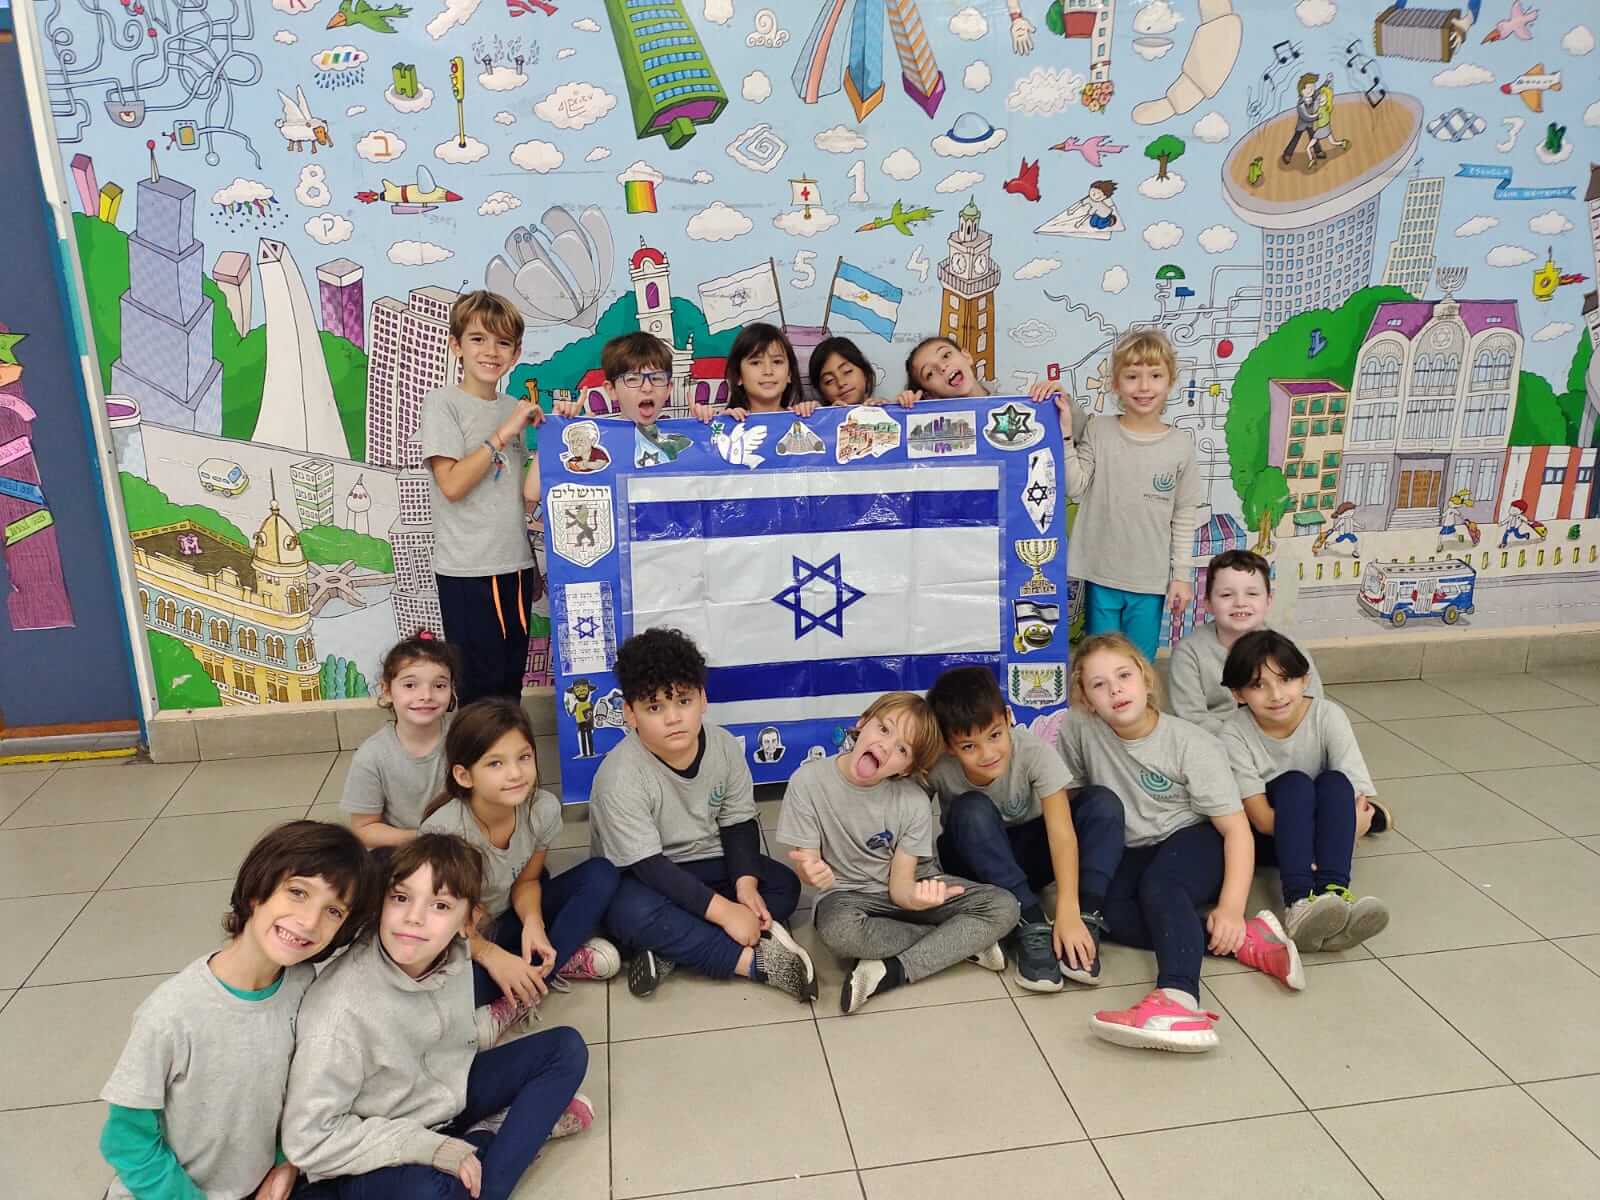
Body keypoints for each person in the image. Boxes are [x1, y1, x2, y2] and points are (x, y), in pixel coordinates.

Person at [283, 835, 591, 1200]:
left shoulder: (453, 956)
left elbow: (445, 1047)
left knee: (566, 1049)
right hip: (374, 1147)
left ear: (468, 922)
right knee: (430, 1191)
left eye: (440, 905)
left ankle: (484, 1157)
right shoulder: (338, 1013)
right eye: (400, 898)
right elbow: (309, 1141)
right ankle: (493, 1143)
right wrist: (427, 1147)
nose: (413, 917)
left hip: (443, 1100)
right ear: (381, 903)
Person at [100, 820, 374, 1200]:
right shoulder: (171, 1013)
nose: (309, 921)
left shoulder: (303, 986)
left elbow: (299, 1094)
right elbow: (125, 1141)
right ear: (257, 891)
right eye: (297, 892)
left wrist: (286, 1163)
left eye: (333, 911)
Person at [1059, 634, 1306, 1054]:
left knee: (1161, 886)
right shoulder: (1080, 728)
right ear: (1085, 698)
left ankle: (1178, 999)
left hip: (1197, 837)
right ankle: (1247, 940)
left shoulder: (1192, 744)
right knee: (1104, 914)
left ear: (1145, 679)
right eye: (1099, 684)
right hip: (1135, 847)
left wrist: (1230, 907)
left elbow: (1237, 831)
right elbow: (1071, 797)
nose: (1115, 690)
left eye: (1124, 676)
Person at [589, 627, 817, 1000]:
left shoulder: (724, 746)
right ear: (629, 713)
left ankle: (673, 948)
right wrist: (726, 913)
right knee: (624, 912)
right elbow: (650, 867)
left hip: (706, 863)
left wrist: (744, 887)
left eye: (683, 701)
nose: (673, 718)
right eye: (654, 707)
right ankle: (754, 963)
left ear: (703, 699)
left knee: (784, 887)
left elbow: (738, 820)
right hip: (644, 877)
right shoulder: (619, 776)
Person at [781, 692, 1021, 1014]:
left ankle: (892, 970)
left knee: (1004, 907)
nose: (885, 746)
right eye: (883, 729)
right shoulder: (807, 782)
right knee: (839, 933)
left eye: (902, 749)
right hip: (846, 895)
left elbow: (901, 887)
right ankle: (958, 944)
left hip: (907, 884)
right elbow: (806, 861)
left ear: (908, 768)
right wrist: (810, 870)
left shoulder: (912, 801)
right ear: (862, 723)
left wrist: (918, 898)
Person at [925, 665, 1124, 993]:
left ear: (1007, 718)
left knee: (1103, 802)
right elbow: (908, 819)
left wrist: (1069, 910)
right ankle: (1029, 921)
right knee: (971, 808)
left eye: (994, 735)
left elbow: (1061, 833)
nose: (988, 754)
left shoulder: (1032, 751)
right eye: (969, 746)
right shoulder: (937, 767)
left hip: (1028, 852)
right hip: (976, 864)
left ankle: (1087, 918)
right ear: (948, 745)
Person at [419, 698, 621, 1020]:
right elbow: (434, 923)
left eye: (524, 757)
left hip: (507, 916)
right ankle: (543, 970)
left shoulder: (543, 808)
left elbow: (527, 881)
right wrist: (489, 954)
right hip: (459, 937)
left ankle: (534, 975)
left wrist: (534, 924)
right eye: (495, 764)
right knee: (444, 995)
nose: (515, 773)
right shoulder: (443, 833)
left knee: (602, 874)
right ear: (464, 776)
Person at [1218, 630, 1390, 953]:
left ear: (1305, 680)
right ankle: (1298, 904)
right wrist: (1337, 830)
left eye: (1285, 680)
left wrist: (1343, 825)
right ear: (1238, 694)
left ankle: (1335, 897)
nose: (1276, 694)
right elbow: (1262, 820)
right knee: (1295, 783)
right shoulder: (1233, 732)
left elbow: (1357, 800)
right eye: (1258, 685)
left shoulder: (1328, 716)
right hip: (1273, 834)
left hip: (1316, 823)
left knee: (1335, 782)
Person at [419, 291, 543, 706]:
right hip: (468, 571)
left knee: (510, 685)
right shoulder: (443, 403)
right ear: (456, 345)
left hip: (516, 566)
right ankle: (474, 752)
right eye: (478, 339)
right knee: (477, 692)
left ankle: (508, 752)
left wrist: (557, 437)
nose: (491, 351)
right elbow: (452, 485)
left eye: (503, 342)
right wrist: (504, 433)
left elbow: (523, 497)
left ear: (516, 353)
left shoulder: (514, 408)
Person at [1048, 329, 1201, 662]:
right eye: (1132, 376)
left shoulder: (1180, 445)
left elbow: (1185, 513)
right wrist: (1065, 435)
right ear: (1116, 384)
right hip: (1101, 574)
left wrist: (1181, 577)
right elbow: (1075, 487)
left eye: (1155, 376)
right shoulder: (1099, 430)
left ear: (1170, 381)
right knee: (1100, 662)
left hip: (1149, 581)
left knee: (1139, 666)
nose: (1144, 387)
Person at [1167, 550, 1326, 735]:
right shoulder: (1189, 652)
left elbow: (1312, 703)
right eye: (1226, 595)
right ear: (1208, 603)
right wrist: (1240, 741)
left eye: (1252, 593)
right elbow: (1192, 718)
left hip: (1281, 733)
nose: (1240, 602)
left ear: (1268, 600)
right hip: (1218, 740)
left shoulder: (1287, 645)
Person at [343, 633, 461, 850]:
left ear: (451, 689)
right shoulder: (371, 756)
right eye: (410, 685)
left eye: (439, 685)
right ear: (387, 691)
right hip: (404, 848)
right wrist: (424, 837)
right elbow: (364, 830)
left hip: (460, 844)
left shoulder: (465, 736)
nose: (426, 695)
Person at [695, 322, 817, 420]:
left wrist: (816, 416)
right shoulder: (727, 422)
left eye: (777, 362)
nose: (768, 371)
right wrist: (706, 424)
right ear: (738, 376)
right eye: (756, 363)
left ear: (789, 373)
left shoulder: (804, 418)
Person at [809, 336, 883, 406]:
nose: (841, 383)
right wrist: (815, 413)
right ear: (822, 392)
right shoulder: (818, 414)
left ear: (865, 373)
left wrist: (886, 410)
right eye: (829, 380)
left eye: (847, 371)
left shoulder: (884, 409)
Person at [1281, 72, 1323, 168]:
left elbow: (1319, 90)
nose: (1311, 90)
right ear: (1301, 90)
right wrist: (1316, 117)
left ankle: (1318, 151)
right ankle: (1287, 154)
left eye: (1312, 88)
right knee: (1296, 138)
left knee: (1314, 136)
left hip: (1310, 124)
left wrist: (1327, 81)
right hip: (1302, 124)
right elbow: (1305, 117)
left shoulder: (1313, 96)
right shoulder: (1300, 104)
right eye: (1308, 88)